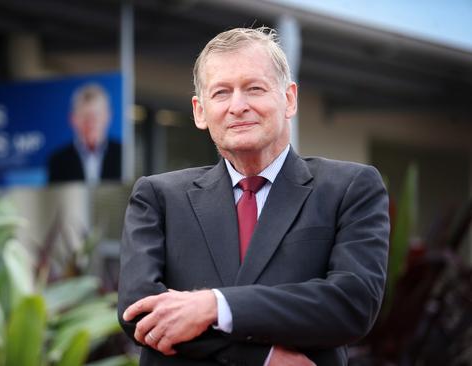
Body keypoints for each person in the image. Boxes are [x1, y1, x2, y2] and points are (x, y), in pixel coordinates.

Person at [118, 27, 389, 365]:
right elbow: (138, 312)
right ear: (200, 111)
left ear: (289, 99)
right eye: (221, 93)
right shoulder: (158, 197)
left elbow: (352, 303)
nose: (238, 106)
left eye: (254, 88)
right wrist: (263, 357)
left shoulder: (350, 188)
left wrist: (215, 306)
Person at [48, 83, 121, 184]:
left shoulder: (124, 154)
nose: (91, 122)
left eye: (96, 115)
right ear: (73, 119)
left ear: (107, 116)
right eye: (85, 116)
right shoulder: (58, 161)